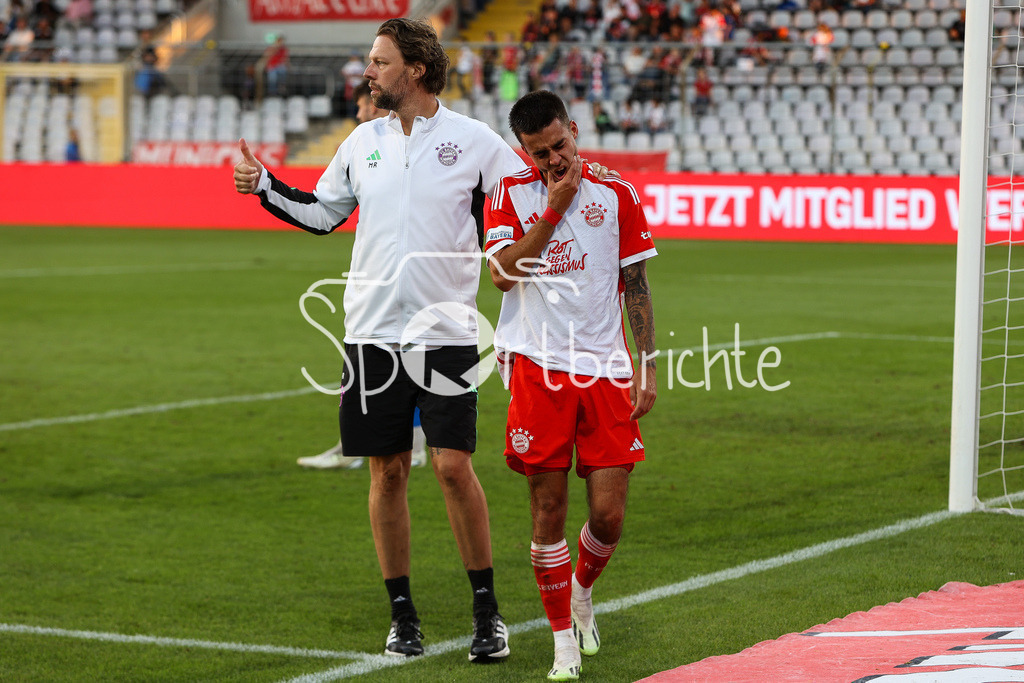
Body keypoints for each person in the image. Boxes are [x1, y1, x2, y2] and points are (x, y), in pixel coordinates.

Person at [233, 18, 529, 663]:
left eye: (379, 60)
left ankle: (487, 611)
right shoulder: (360, 142)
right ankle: (403, 614)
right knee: (387, 471)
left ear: (415, 70)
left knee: (452, 467)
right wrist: (265, 188)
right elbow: (321, 214)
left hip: (446, 330)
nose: (368, 71)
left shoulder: (474, 142)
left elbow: (521, 210)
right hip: (369, 334)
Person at [484, 90, 657, 681]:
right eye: (540, 153)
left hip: (606, 370)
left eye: (560, 145)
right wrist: (552, 209)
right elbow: (503, 276)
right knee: (547, 510)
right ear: (523, 152)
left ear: (574, 130)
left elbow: (635, 282)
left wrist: (648, 363)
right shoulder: (510, 195)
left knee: (608, 517)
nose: (554, 160)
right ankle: (562, 642)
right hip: (538, 366)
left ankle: (581, 591)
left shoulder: (617, 193)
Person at [295, 81, 423, 471]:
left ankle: (403, 447)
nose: (358, 113)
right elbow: (324, 210)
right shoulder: (361, 145)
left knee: (409, 375)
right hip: (378, 303)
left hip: (416, 300)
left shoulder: (431, 144)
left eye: (363, 105)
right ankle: (401, 446)